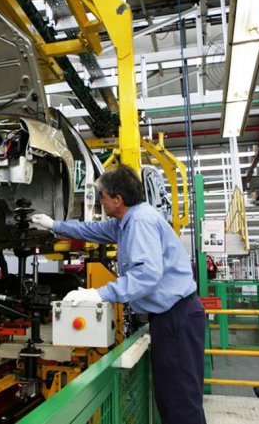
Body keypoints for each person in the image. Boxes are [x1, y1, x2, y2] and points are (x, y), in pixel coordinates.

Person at [31, 165, 206, 424]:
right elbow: (90, 230)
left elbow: (146, 275)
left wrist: (99, 294)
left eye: (102, 196)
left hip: (176, 319)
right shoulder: (126, 221)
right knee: (173, 398)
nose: (100, 202)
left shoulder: (140, 222)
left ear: (117, 200)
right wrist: (54, 225)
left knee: (180, 402)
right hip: (172, 318)